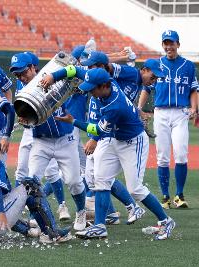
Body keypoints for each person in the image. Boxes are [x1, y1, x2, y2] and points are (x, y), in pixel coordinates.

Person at [55, 68, 175, 240]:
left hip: (133, 142)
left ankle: (166, 220)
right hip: (115, 138)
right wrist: (53, 77)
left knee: (135, 189)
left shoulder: (114, 106)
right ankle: (99, 226)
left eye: (93, 89)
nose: (90, 92)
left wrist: (73, 121)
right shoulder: (105, 82)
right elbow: (74, 70)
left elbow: (96, 130)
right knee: (101, 180)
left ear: (104, 86)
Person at [12, 53, 87, 230]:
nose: (21, 77)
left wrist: (57, 77)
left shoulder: (53, 75)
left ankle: (81, 211)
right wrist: (25, 121)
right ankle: (38, 219)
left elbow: (74, 67)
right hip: (41, 142)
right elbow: (29, 119)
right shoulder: (23, 89)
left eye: (23, 72)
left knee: (74, 181)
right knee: (31, 181)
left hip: (65, 139)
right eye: (17, 74)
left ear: (32, 68)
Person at [0, 135, 71, 244]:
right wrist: (1, 212)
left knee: (3, 202)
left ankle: (28, 230)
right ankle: (51, 234)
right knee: (30, 185)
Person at [137, 30, 198, 209]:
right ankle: (165, 197)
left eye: (171, 43)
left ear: (178, 44)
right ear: (162, 45)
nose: (168, 46)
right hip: (161, 113)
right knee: (162, 157)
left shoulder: (188, 65)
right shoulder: (157, 65)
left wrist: (195, 108)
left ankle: (179, 195)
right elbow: (146, 89)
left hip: (180, 113)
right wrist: (139, 109)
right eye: (165, 43)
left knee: (181, 154)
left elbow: (194, 90)